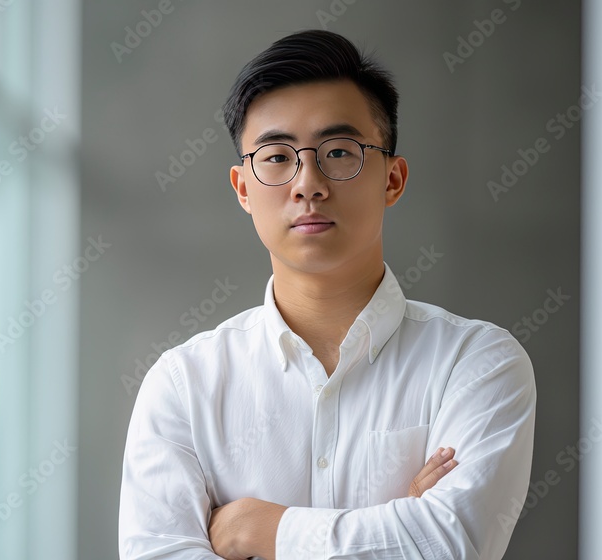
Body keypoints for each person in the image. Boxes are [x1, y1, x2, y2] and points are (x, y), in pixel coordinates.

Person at [119, 29, 536, 560]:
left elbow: (453, 544)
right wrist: (397, 526)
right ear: (243, 189)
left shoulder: (475, 362)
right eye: (276, 156)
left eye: (339, 152)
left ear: (393, 177)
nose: (307, 182)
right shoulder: (184, 386)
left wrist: (257, 530)